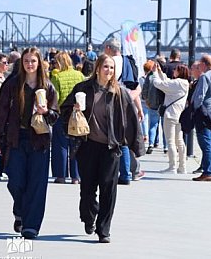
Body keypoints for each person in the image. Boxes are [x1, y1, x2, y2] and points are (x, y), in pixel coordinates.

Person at [59, 54, 143, 243]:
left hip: (111, 147)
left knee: (108, 188)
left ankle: (104, 230)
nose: (109, 71)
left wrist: (136, 145)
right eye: (106, 66)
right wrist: (73, 110)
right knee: (87, 188)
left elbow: (131, 119)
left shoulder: (119, 92)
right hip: (87, 145)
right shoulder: (83, 88)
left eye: (112, 68)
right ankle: (89, 217)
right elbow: (63, 111)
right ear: (97, 68)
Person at [0, 47, 59, 240]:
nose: (30, 64)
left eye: (33, 61)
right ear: (22, 63)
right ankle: (19, 209)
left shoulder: (47, 87)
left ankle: (31, 226)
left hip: (40, 139)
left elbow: (55, 117)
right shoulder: (12, 85)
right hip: (16, 138)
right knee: (16, 181)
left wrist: (46, 112)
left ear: (39, 64)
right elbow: (1, 113)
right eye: (26, 61)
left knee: (37, 184)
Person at [102, 37, 144, 184]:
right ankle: (126, 174)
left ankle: (123, 173)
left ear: (108, 48)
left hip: (114, 102)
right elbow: (135, 87)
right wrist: (139, 108)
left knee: (115, 139)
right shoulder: (128, 62)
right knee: (124, 139)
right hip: (128, 103)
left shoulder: (110, 63)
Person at [49, 51, 85, 184]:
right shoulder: (79, 75)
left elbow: (54, 98)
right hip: (76, 114)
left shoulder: (57, 77)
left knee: (61, 146)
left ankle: (61, 175)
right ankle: (76, 177)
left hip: (61, 115)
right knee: (76, 145)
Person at [152, 62, 190, 174]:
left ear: (180, 72)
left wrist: (154, 73)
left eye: (175, 70)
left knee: (170, 141)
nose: (173, 71)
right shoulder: (185, 83)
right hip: (179, 115)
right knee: (179, 141)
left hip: (170, 115)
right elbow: (167, 82)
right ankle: (182, 167)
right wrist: (160, 72)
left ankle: (172, 167)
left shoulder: (177, 83)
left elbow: (158, 84)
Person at [191, 54, 211, 182]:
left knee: (205, 144)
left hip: (204, 112)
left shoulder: (205, 76)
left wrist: (193, 109)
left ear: (204, 64)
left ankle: (207, 172)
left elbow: (199, 96)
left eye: (200, 64)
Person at [140, 60, 163, 155]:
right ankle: (165, 146)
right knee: (161, 125)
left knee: (152, 124)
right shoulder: (161, 77)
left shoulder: (147, 78)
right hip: (161, 104)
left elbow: (144, 91)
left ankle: (151, 143)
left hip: (150, 103)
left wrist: (146, 100)